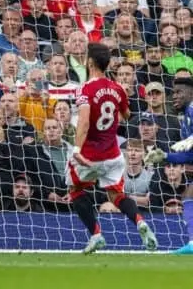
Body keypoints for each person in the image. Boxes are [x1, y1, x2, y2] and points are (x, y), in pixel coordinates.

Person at [68, 42, 157, 254]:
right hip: (113, 154)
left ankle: (96, 235)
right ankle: (140, 222)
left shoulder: (85, 89)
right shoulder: (117, 88)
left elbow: (84, 122)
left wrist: (77, 150)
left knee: (75, 190)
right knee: (116, 195)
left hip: (90, 154)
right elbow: (127, 116)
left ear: (89, 61)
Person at [145, 77, 193, 254]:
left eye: (179, 92)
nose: (175, 96)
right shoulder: (186, 119)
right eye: (173, 93)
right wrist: (165, 156)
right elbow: (189, 156)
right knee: (189, 195)